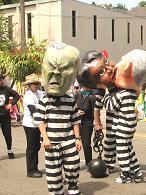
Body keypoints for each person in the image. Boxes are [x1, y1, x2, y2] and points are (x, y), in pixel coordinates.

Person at [34, 41, 82, 195]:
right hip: (52, 141)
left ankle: (73, 186)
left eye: (63, 70)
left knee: (73, 165)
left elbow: (75, 120)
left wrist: (78, 138)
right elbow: (40, 121)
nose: (55, 74)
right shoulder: (44, 100)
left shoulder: (70, 99)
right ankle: (56, 191)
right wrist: (45, 138)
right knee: (53, 169)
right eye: (51, 68)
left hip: (68, 139)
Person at [102, 49, 146, 183]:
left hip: (123, 127)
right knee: (128, 148)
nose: (117, 67)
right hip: (129, 126)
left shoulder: (122, 94)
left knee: (122, 150)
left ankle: (126, 174)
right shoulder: (132, 93)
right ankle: (136, 170)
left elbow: (110, 106)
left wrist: (106, 92)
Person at [22, 74, 44, 178]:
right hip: (30, 124)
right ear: (29, 85)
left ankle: (35, 167)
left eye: (37, 83)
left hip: (38, 124)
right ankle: (30, 170)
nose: (36, 85)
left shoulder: (40, 93)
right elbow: (33, 111)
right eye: (33, 84)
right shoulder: (28, 95)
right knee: (32, 147)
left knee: (37, 146)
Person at [75, 84, 96, 169]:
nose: (84, 86)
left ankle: (89, 163)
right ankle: (74, 162)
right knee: (74, 143)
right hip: (76, 122)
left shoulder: (92, 97)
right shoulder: (77, 94)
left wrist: (95, 123)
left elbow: (95, 111)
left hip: (87, 122)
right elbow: (72, 107)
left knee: (86, 144)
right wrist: (77, 112)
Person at [0, 74, 20, 159]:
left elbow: (17, 95)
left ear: (1, 81)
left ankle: (10, 150)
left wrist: (11, 104)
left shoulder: (6, 89)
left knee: (7, 134)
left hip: (5, 115)